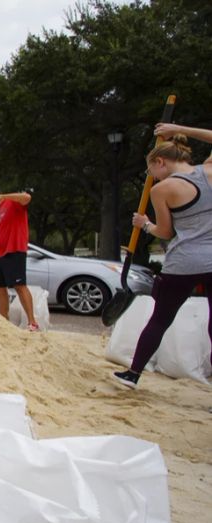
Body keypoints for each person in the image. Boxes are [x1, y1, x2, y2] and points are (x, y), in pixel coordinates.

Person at [113, 127, 212, 388]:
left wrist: (144, 224)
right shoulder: (209, 169)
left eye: (150, 171)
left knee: (160, 319)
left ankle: (133, 374)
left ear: (160, 162)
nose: (151, 178)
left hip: (184, 263)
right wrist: (180, 129)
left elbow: (165, 232)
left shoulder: (164, 189)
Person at [0, 185, 39, 331]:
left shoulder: (12, 202)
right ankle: (4, 320)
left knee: (19, 286)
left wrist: (3, 197)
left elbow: (27, 197)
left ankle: (32, 322)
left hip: (15, 250)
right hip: (0, 255)